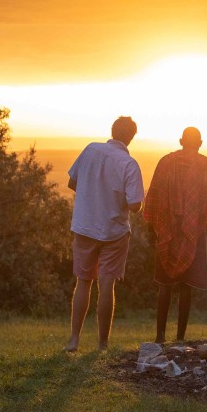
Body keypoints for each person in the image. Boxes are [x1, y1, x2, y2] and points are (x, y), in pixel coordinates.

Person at [64, 116, 144, 353]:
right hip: (113, 232)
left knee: (83, 282)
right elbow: (135, 205)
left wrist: (92, 195)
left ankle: (74, 341)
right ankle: (102, 345)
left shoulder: (90, 150)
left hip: (85, 226)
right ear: (131, 137)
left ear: (112, 131)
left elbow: (71, 182)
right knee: (106, 285)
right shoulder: (130, 165)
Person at [142, 127, 207, 344]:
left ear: (181, 141)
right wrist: (200, 222)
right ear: (200, 143)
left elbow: (152, 196)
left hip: (166, 231)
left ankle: (160, 336)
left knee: (164, 285)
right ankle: (180, 338)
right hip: (193, 233)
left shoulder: (165, 162)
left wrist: (156, 226)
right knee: (186, 286)